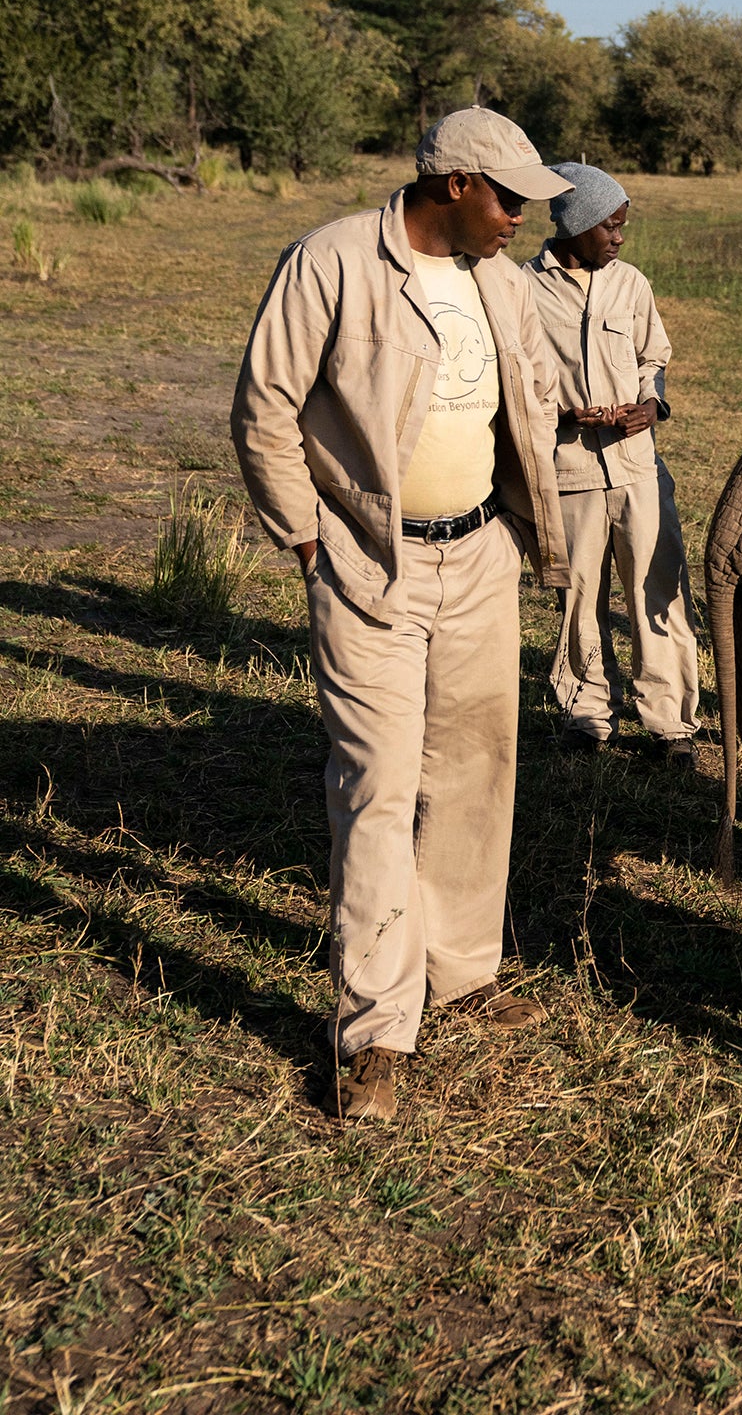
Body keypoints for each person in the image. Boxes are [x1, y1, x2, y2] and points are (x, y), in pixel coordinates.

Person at [231, 106, 573, 1122]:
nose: (523, 217)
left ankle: (461, 975)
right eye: (510, 198)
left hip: (478, 554)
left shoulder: (503, 282)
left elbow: (534, 394)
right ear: (457, 184)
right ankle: (376, 1028)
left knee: (476, 768)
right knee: (376, 782)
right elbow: (265, 405)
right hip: (365, 560)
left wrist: (517, 527)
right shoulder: (332, 261)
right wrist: (305, 537)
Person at [525, 162, 701, 759]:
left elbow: (653, 360)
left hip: (637, 466)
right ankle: (588, 712)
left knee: (658, 585)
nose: (620, 238)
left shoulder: (631, 284)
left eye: (623, 226)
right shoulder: (524, 288)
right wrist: (563, 417)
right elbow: (518, 381)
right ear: (576, 225)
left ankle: (670, 722)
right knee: (579, 592)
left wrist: (651, 407)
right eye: (611, 227)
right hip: (568, 468)